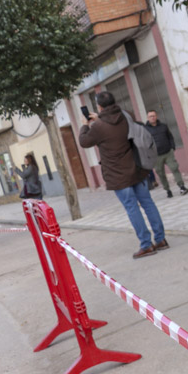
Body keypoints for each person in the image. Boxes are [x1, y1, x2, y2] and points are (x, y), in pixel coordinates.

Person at [79, 91, 168, 259]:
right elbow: (114, 123)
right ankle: (160, 239)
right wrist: (99, 118)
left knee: (132, 207)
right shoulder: (127, 115)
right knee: (148, 203)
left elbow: (84, 142)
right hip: (137, 168)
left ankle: (146, 245)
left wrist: (85, 125)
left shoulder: (98, 127)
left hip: (117, 174)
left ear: (99, 106)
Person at [145, 110, 188, 197]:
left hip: (168, 152)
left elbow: (170, 137)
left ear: (156, 116)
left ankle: (182, 187)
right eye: (150, 116)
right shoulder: (145, 129)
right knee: (161, 173)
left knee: (174, 168)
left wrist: (172, 147)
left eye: (154, 116)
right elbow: (144, 142)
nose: (152, 117)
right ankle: (168, 190)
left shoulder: (163, 126)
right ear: (148, 118)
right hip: (156, 156)